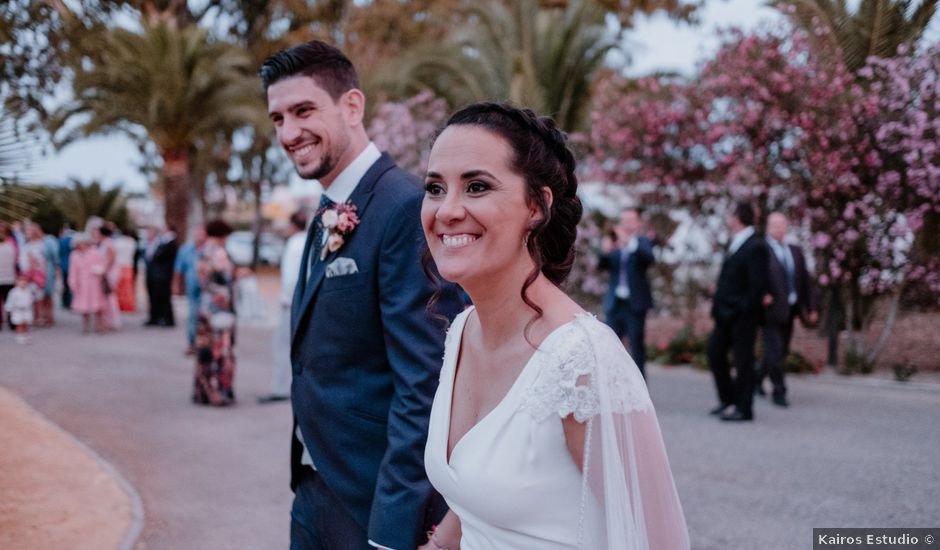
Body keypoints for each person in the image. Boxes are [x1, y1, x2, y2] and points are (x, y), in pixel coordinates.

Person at [420, 102, 689, 550]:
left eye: (477, 186)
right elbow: (474, 502)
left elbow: (657, 539)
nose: (447, 210)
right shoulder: (463, 330)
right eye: (434, 187)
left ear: (537, 206)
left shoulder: (583, 360)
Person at [262, 40, 462, 550]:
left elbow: (426, 382)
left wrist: (392, 531)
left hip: (371, 501)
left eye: (303, 110)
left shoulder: (403, 208)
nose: (288, 132)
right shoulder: (329, 206)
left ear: (352, 106)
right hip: (313, 484)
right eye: (277, 118)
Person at [707, 201, 769, 422]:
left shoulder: (756, 245)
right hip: (724, 313)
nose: (727, 218)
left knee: (743, 361)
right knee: (714, 352)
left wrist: (743, 310)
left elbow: (756, 286)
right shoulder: (734, 241)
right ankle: (728, 399)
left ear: (738, 217)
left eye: (730, 213)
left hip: (742, 316)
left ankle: (744, 408)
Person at [758, 212, 818, 407]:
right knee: (774, 351)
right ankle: (779, 391)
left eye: (782, 224)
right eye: (774, 224)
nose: (778, 228)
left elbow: (806, 282)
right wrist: (762, 294)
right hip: (769, 311)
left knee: (781, 351)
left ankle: (756, 378)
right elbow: (753, 277)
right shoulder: (761, 250)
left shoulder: (795, 251)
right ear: (768, 227)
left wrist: (811, 307)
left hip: (791, 309)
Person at [598, 206, 655, 377]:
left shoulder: (643, 241)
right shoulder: (615, 243)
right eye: (623, 221)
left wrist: (629, 242)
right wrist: (605, 251)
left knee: (636, 347)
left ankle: (640, 390)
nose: (626, 224)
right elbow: (603, 266)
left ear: (638, 223)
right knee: (609, 347)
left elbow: (648, 258)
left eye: (630, 220)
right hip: (615, 303)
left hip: (635, 304)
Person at [259, 210, 308, 404]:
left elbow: (290, 277)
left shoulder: (294, 244)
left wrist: (287, 299)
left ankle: (280, 387)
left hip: (291, 302)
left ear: (292, 225)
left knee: (281, 345)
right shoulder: (309, 240)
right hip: (304, 300)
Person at [192, 219, 237, 406]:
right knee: (220, 350)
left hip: (204, 306)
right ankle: (218, 391)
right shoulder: (219, 253)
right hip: (220, 308)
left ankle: (202, 390)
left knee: (205, 349)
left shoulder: (202, 251)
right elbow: (226, 277)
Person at [173, 224, 206, 354]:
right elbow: (178, 270)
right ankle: (192, 343)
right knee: (193, 315)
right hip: (192, 286)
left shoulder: (209, 250)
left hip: (207, 288)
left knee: (204, 316)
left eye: (202, 234)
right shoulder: (186, 250)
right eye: (198, 234)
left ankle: (203, 344)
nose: (200, 237)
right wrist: (176, 286)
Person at [68, 234, 107, 334]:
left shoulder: (94, 252)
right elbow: (72, 271)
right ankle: (85, 326)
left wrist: (98, 270)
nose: (81, 245)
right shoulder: (74, 255)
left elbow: (102, 265)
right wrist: (72, 283)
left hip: (95, 282)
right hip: (82, 283)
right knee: (84, 306)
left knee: (98, 305)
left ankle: (99, 326)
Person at [143, 225, 178, 327]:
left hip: (163, 274)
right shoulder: (163, 242)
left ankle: (166, 318)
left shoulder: (170, 243)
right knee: (155, 296)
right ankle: (156, 317)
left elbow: (160, 256)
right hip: (156, 274)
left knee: (164, 297)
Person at [92, 223, 121, 330]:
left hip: (108, 273)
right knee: (104, 297)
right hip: (103, 272)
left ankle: (111, 321)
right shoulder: (102, 243)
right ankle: (104, 319)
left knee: (108, 296)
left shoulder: (108, 243)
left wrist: (103, 270)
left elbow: (111, 259)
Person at [114, 225, 139, 313]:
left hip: (120, 265)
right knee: (127, 287)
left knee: (120, 286)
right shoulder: (132, 242)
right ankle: (128, 305)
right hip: (128, 265)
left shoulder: (118, 242)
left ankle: (120, 304)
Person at [6, 274, 34, 344]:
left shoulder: (28, 291)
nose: (23, 282)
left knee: (26, 323)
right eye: (21, 281)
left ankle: (26, 334)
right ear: (16, 282)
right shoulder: (13, 292)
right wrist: (9, 308)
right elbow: (10, 301)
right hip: (17, 311)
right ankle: (20, 335)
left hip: (26, 310)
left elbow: (31, 299)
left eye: (24, 281)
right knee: (19, 324)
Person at [0, 223, 18, 331]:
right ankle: (12, 323)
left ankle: (7, 322)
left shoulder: (11, 245)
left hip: (7, 277)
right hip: (9, 277)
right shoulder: (11, 246)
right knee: (9, 301)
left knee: (9, 301)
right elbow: (15, 262)